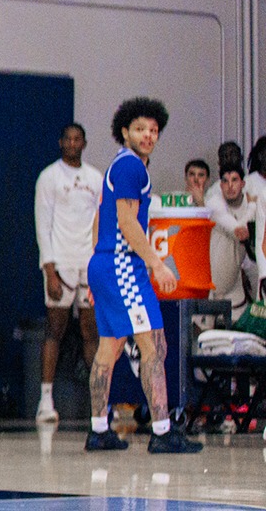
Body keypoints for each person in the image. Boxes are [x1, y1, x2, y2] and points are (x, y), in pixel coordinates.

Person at [85, 97, 201, 453]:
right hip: (122, 265)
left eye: (153, 130)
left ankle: (98, 429)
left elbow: (97, 221)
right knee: (154, 345)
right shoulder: (132, 167)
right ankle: (163, 432)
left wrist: (97, 274)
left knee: (110, 347)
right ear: (124, 132)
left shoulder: (119, 167)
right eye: (140, 129)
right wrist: (156, 263)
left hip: (106, 265)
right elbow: (126, 222)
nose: (148, 135)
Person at [33, 123, 102, 424]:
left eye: (78, 139)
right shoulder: (49, 177)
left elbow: (101, 223)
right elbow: (42, 225)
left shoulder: (95, 178)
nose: (73, 144)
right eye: (68, 139)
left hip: (89, 264)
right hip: (60, 263)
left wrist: (99, 265)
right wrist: (50, 270)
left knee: (91, 331)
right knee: (55, 329)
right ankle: (45, 400)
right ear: (61, 142)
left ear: (84, 143)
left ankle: (99, 401)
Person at [206, 159, 258, 315]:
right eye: (225, 181)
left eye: (234, 180)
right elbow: (239, 232)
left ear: (242, 183)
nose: (230, 186)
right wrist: (252, 208)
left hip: (234, 284)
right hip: (212, 285)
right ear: (220, 185)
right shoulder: (214, 203)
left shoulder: (248, 203)